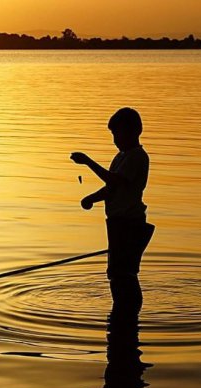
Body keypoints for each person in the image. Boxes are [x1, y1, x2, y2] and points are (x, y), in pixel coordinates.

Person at [70, 107, 154, 309]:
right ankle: (123, 311)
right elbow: (111, 188)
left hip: (130, 223)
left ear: (133, 132)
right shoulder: (121, 157)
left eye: (117, 133)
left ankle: (129, 309)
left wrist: (88, 162)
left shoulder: (137, 157)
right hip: (117, 222)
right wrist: (92, 198)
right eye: (113, 134)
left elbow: (115, 182)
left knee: (124, 272)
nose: (115, 139)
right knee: (116, 272)